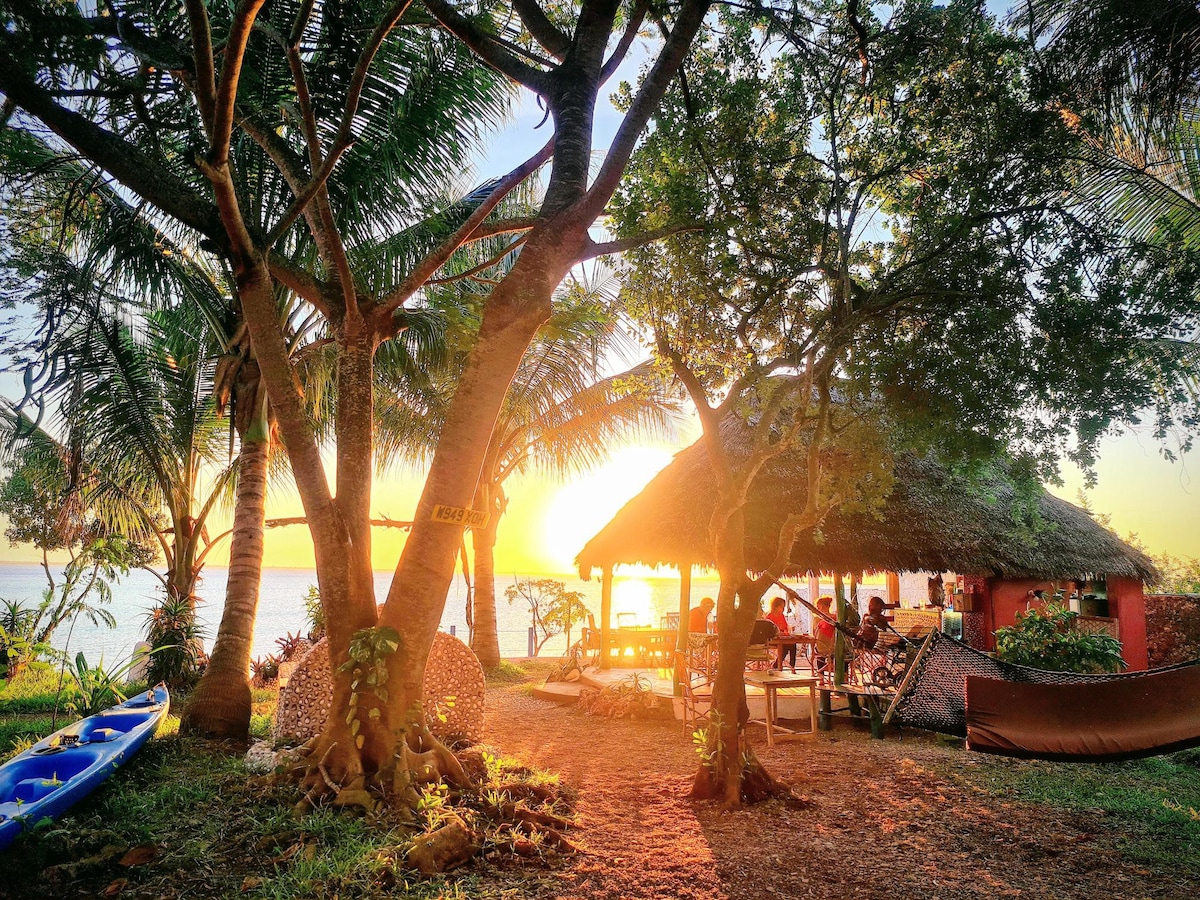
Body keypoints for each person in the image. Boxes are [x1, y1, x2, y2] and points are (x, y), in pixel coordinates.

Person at [765, 596, 797, 670]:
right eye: (781, 607)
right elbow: (769, 631)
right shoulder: (770, 617)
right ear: (775, 607)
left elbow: (785, 627)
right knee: (785, 646)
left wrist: (786, 631)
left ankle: (792, 665)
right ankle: (777, 664)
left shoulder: (781, 616)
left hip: (782, 637)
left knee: (793, 644)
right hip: (772, 639)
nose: (783, 609)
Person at [812, 595, 836, 670]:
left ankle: (821, 675)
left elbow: (814, 634)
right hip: (835, 647)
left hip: (822, 647)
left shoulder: (817, 619)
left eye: (818, 607)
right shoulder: (836, 618)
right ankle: (831, 665)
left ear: (821, 606)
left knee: (819, 651)